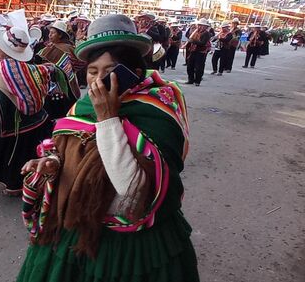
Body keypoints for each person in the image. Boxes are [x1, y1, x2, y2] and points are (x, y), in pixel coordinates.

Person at [17, 14, 198, 282]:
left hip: (130, 245)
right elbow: (66, 147)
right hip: (75, 227)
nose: (98, 80)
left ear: (133, 74)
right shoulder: (83, 106)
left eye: (109, 71)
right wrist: (53, 162)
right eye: (92, 71)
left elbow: (135, 194)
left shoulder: (158, 109)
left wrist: (108, 119)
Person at [0, 26, 54, 197]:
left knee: (13, 156)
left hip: (16, 124)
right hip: (38, 119)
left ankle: (14, 185)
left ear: (2, 51)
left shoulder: (1, 73)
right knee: (30, 153)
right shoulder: (30, 68)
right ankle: (34, 179)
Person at [36, 20, 82, 120]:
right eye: (49, 33)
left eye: (52, 33)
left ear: (60, 35)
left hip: (58, 85)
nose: (49, 35)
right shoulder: (68, 47)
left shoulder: (60, 48)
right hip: (68, 84)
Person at [185, 18, 211, 86]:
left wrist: (193, 41)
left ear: (205, 27)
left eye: (202, 25)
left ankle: (197, 81)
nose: (200, 27)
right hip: (193, 50)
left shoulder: (207, 33)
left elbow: (203, 43)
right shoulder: (196, 32)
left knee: (199, 67)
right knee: (190, 66)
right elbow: (188, 36)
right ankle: (190, 80)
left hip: (201, 52)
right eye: (199, 25)